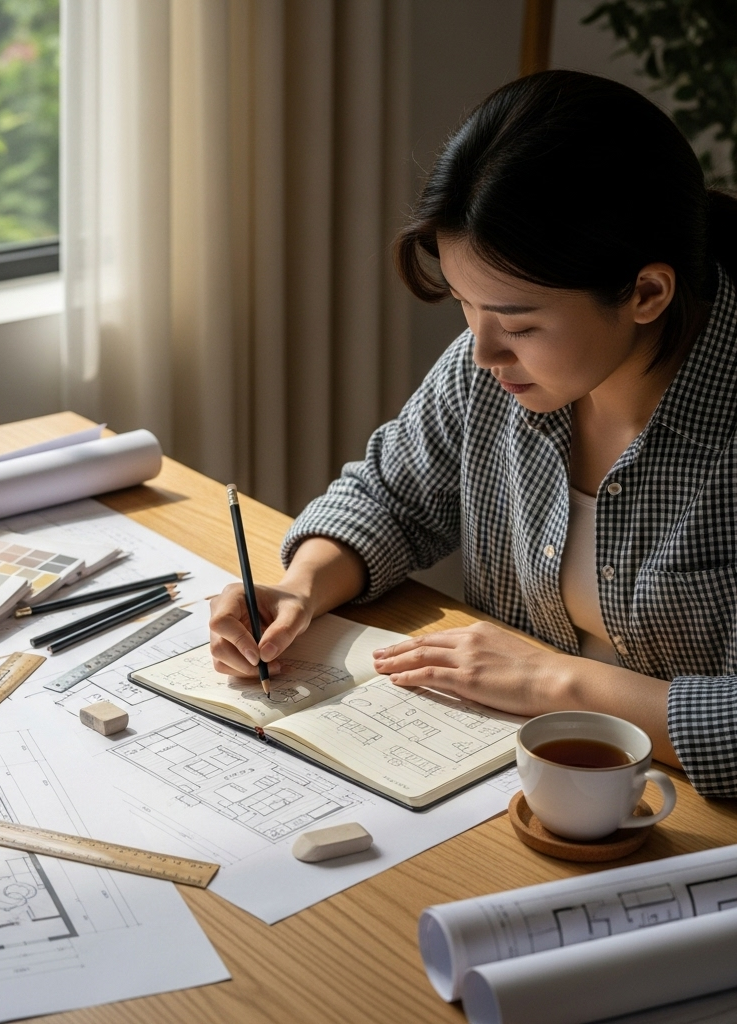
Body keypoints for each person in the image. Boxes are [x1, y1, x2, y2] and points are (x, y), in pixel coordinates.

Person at [208, 70, 737, 799]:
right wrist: (300, 589)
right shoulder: (490, 372)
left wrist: (551, 681)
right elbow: (388, 499)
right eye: (465, 304)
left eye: (519, 324)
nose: (483, 352)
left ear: (647, 293)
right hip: (505, 780)